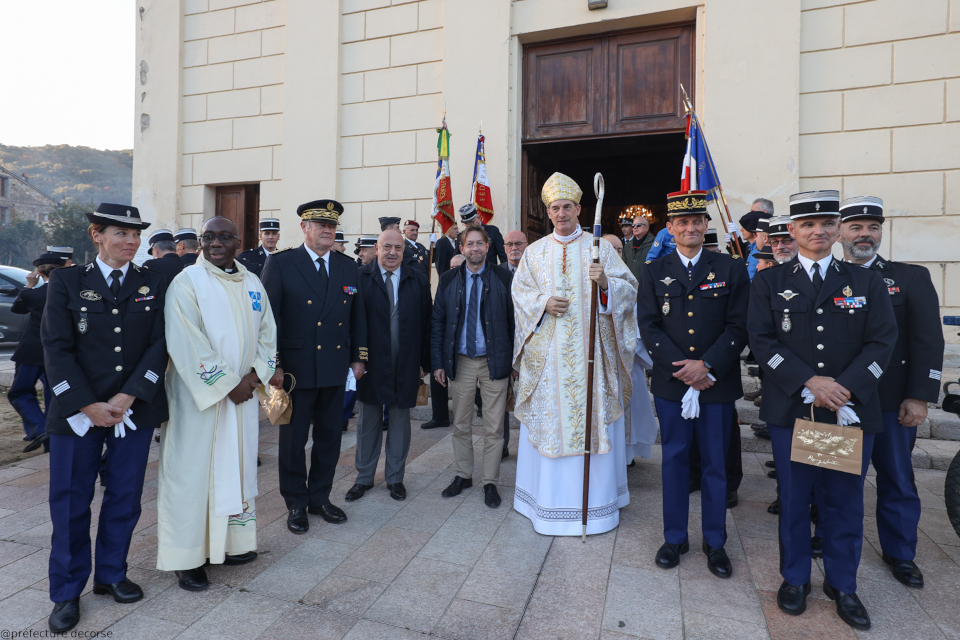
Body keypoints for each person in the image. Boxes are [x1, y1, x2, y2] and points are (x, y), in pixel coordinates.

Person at [748, 190, 897, 630]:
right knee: (795, 499)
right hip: (796, 409)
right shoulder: (769, 282)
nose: (818, 231)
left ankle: (843, 584)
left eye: (827, 223)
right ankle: (795, 578)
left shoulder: (866, 282)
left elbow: (882, 341)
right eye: (808, 224)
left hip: (847, 409)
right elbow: (762, 340)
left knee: (844, 502)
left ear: (837, 230)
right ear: (792, 230)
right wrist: (809, 382)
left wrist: (843, 387)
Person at [41, 203, 168, 633]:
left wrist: (129, 395)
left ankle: (111, 573)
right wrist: (86, 405)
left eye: (136, 235)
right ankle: (66, 591)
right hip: (77, 413)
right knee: (71, 502)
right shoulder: (67, 281)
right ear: (97, 235)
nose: (131, 242)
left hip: (133, 409)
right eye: (121, 233)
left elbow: (160, 345)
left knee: (125, 497)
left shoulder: (153, 281)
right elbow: (55, 348)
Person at [511, 172, 638, 534]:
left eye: (567, 207)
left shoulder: (600, 250)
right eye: (555, 208)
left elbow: (630, 290)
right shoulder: (534, 252)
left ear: (580, 209)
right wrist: (542, 303)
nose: (561, 213)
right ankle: (545, 503)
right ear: (548, 212)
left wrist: (606, 284)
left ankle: (598, 507)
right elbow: (520, 295)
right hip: (549, 365)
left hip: (592, 362)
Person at [157, 217, 277, 591]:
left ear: (238, 242)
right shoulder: (187, 282)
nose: (215, 243)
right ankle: (187, 557)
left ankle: (231, 543)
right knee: (193, 475)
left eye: (224, 237)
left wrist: (254, 377)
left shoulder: (253, 282)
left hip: (242, 398)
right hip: (200, 401)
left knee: (235, 468)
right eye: (208, 237)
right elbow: (185, 340)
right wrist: (227, 384)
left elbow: (268, 333)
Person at [637, 190, 749, 577]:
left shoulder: (731, 268)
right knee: (675, 462)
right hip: (672, 385)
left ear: (705, 225)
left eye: (696, 221)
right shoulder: (654, 271)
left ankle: (715, 542)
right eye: (682, 222)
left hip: (716, 383)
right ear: (669, 228)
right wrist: (683, 369)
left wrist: (707, 366)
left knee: (716, 464)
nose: (690, 227)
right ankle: (675, 538)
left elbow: (739, 325)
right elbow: (649, 325)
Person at [839, 195, 943, 589]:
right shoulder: (826, 277)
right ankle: (829, 537)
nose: (865, 234)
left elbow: (927, 340)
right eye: (856, 227)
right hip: (841, 402)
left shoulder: (910, 277)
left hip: (890, 401)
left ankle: (900, 552)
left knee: (898, 478)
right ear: (840, 233)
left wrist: (919, 395)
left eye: (873, 227)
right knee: (836, 478)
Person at [261, 199, 367, 534]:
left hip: (334, 366)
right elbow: (268, 320)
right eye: (321, 225)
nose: (327, 231)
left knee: (329, 438)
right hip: (295, 369)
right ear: (304, 227)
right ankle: (296, 502)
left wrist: (359, 357)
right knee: (293, 442)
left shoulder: (347, 265)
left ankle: (320, 498)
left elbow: (358, 317)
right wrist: (274, 365)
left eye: (331, 226)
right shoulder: (282, 263)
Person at [432, 225, 514, 508]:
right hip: (461, 361)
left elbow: (514, 322)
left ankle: (490, 482)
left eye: (480, 243)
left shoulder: (504, 278)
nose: (475, 248)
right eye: (470, 244)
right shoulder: (448, 279)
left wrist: (514, 362)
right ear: (462, 248)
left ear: (488, 247)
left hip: (495, 361)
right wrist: (438, 362)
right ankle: (463, 475)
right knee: (460, 424)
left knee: (494, 428)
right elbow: (438, 322)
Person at [348, 230, 431, 502]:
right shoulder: (360, 277)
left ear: (404, 250)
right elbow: (351, 322)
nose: (392, 253)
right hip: (370, 363)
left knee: (399, 422)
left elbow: (426, 323)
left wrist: (425, 362)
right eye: (387, 247)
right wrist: (355, 358)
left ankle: (395, 478)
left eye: (398, 247)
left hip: (405, 361)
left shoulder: (417, 279)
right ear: (377, 248)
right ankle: (364, 478)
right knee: (368, 421)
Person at [10, 252, 67, 453]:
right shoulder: (69, 294)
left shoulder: (31, 294)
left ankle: (40, 428)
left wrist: (28, 286)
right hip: (59, 351)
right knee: (53, 395)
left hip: (31, 351)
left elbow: (18, 309)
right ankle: (51, 442)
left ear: (39, 273)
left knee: (20, 392)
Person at [622, 216, 654, 280]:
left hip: (647, 282)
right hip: (630, 283)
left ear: (647, 227)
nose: (635, 227)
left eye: (638, 225)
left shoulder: (654, 244)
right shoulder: (627, 246)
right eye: (633, 226)